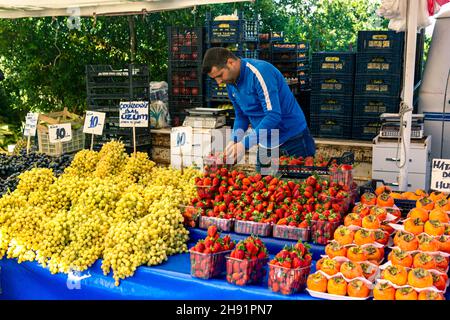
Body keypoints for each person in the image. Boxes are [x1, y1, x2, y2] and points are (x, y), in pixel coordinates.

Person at [202, 47, 315, 167]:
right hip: (265, 142)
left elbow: (273, 116)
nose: (219, 82)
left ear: (230, 62)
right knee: (261, 184)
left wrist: (244, 144)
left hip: (292, 139)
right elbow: (241, 116)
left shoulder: (260, 73)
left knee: (296, 183)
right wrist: (234, 140)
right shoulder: (231, 84)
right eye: (215, 79)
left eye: (220, 75)